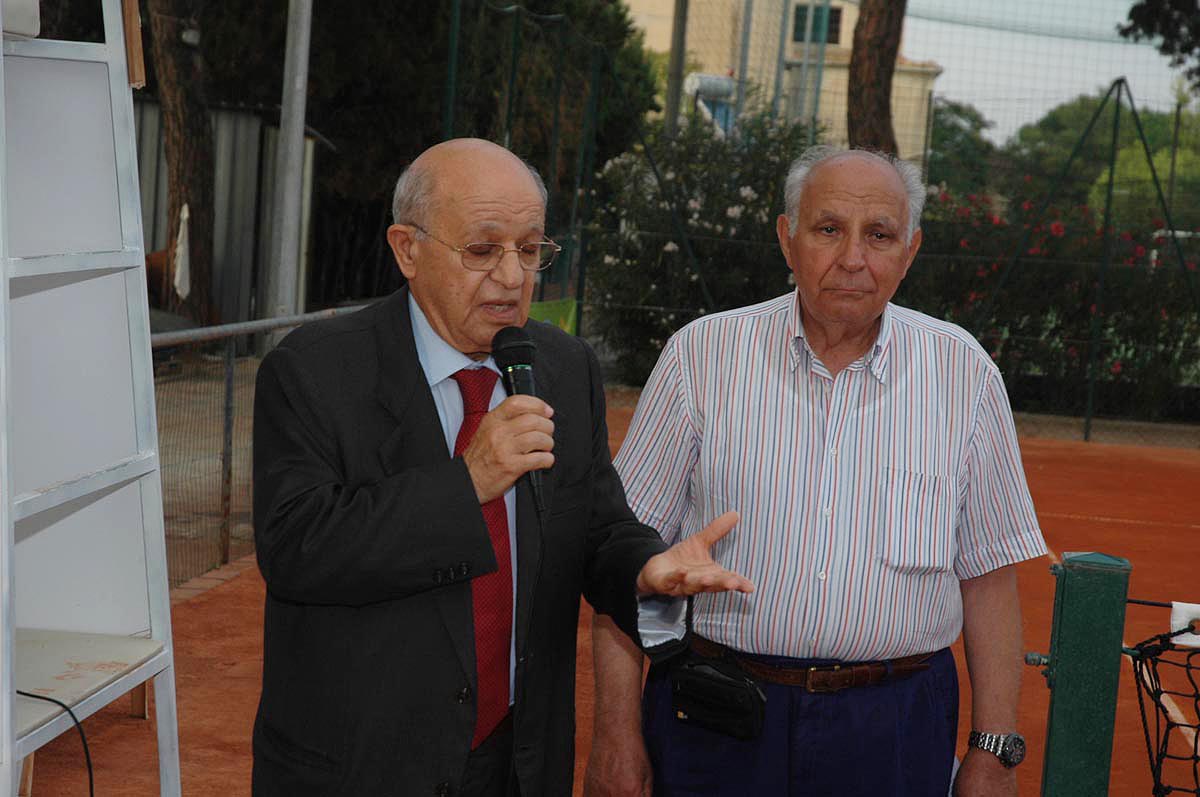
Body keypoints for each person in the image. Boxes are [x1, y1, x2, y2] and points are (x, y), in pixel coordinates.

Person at [251, 138, 752, 797]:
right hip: (364, 765)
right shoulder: (314, 370)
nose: (513, 277)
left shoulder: (563, 367)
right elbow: (297, 548)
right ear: (407, 249)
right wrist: (468, 483)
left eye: (530, 248)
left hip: (519, 764)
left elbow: (597, 525)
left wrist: (645, 569)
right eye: (483, 250)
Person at [585, 145, 1047, 797]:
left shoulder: (963, 374)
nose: (853, 258)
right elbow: (625, 558)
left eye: (879, 235)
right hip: (715, 720)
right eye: (828, 228)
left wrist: (995, 753)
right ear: (787, 238)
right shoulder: (701, 357)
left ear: (910, 251)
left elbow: (989, 578)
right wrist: (614, 735)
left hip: (895, 728)